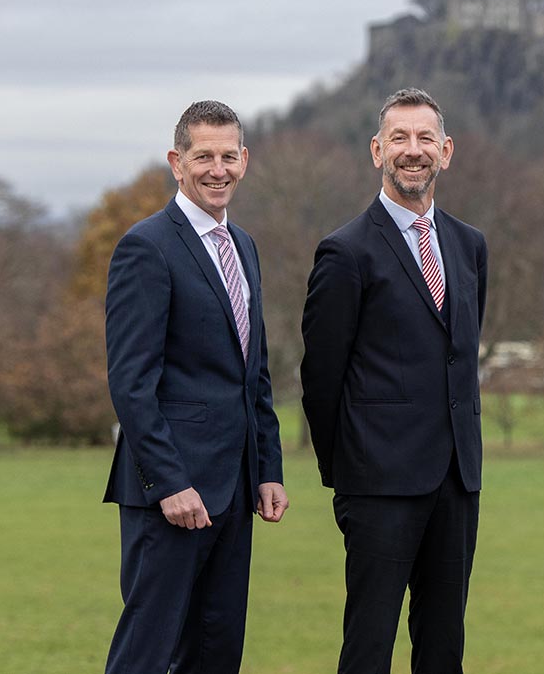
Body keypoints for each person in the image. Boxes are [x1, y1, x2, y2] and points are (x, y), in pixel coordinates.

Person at [301, 87, 487, 674]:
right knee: (368, 647)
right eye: (399, 139)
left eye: (425, 138)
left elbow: (457, 357)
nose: (413, 150)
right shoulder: (344, 252)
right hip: (377, 484)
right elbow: (321, 378)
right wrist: (347, 475)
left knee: (444, 648)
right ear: (377, 150)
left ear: (446, 150)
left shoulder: (469, 246)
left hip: (456, 483)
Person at [103, 100, 288, 673]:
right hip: (172, 496)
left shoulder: (245, 247)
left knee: (215, 651)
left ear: (245, 160)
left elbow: (252, 374)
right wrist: (170, 483)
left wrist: (269, 468)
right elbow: (132, 383)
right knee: (147, 651)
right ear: (176, 162)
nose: (217, 169)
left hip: (234, 490)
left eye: (228, 156)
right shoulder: (147, 246)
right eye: (202, 156)